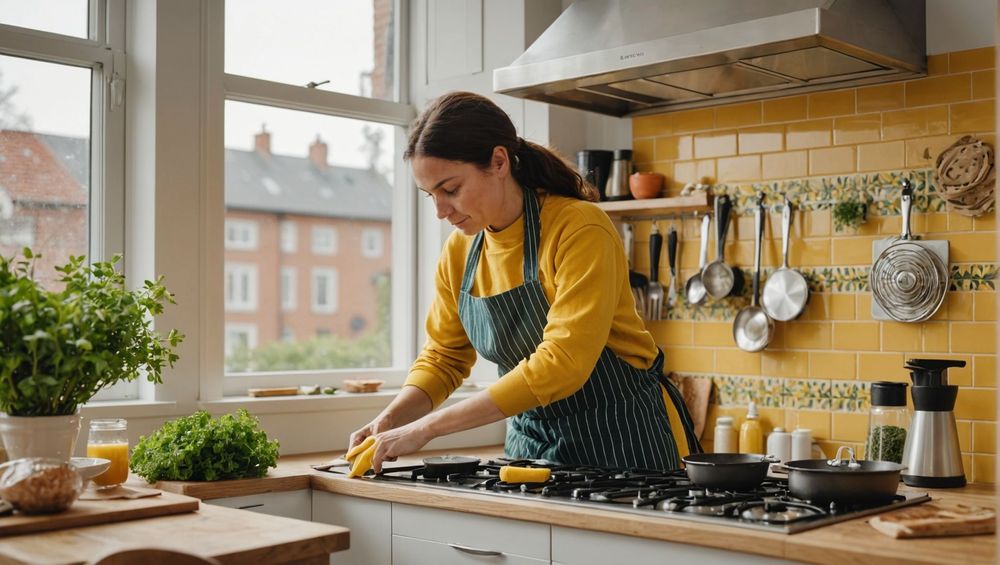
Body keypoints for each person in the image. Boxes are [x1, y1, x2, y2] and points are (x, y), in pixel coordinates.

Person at [347, 91, 701, 475]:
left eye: (450, 189)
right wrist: (391, 419)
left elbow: (562, 363)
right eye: (430, 195)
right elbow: (444, 358)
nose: (440, 211)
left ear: (499, 162)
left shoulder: (579, 227)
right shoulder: (460, 253)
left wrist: (427, 428)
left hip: (624, 445)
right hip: (529, 451)